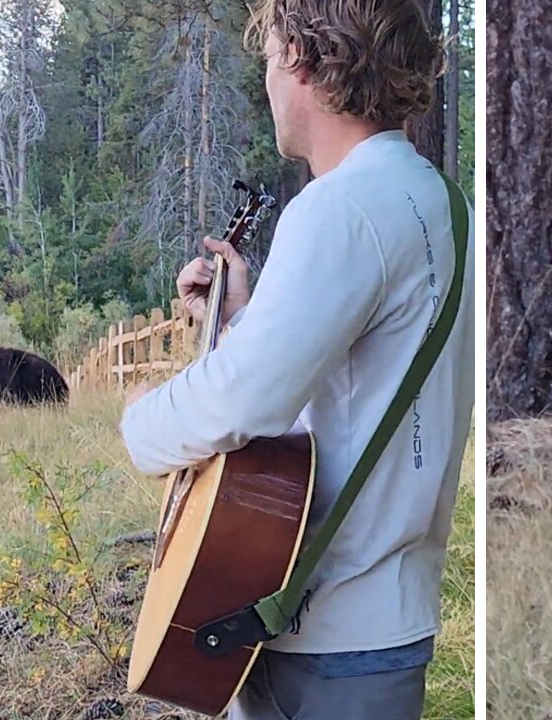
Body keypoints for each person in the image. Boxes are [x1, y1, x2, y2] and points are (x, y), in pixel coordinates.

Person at [117, 0, 473, 718]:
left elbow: (241, 403)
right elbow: (365, 384)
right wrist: (244, 319)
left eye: (270, 56)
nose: (268, 81)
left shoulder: (338, 208)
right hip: (385, 619)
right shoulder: (438, 201)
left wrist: (138, 423)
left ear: (303, 60)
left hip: (320, 631)